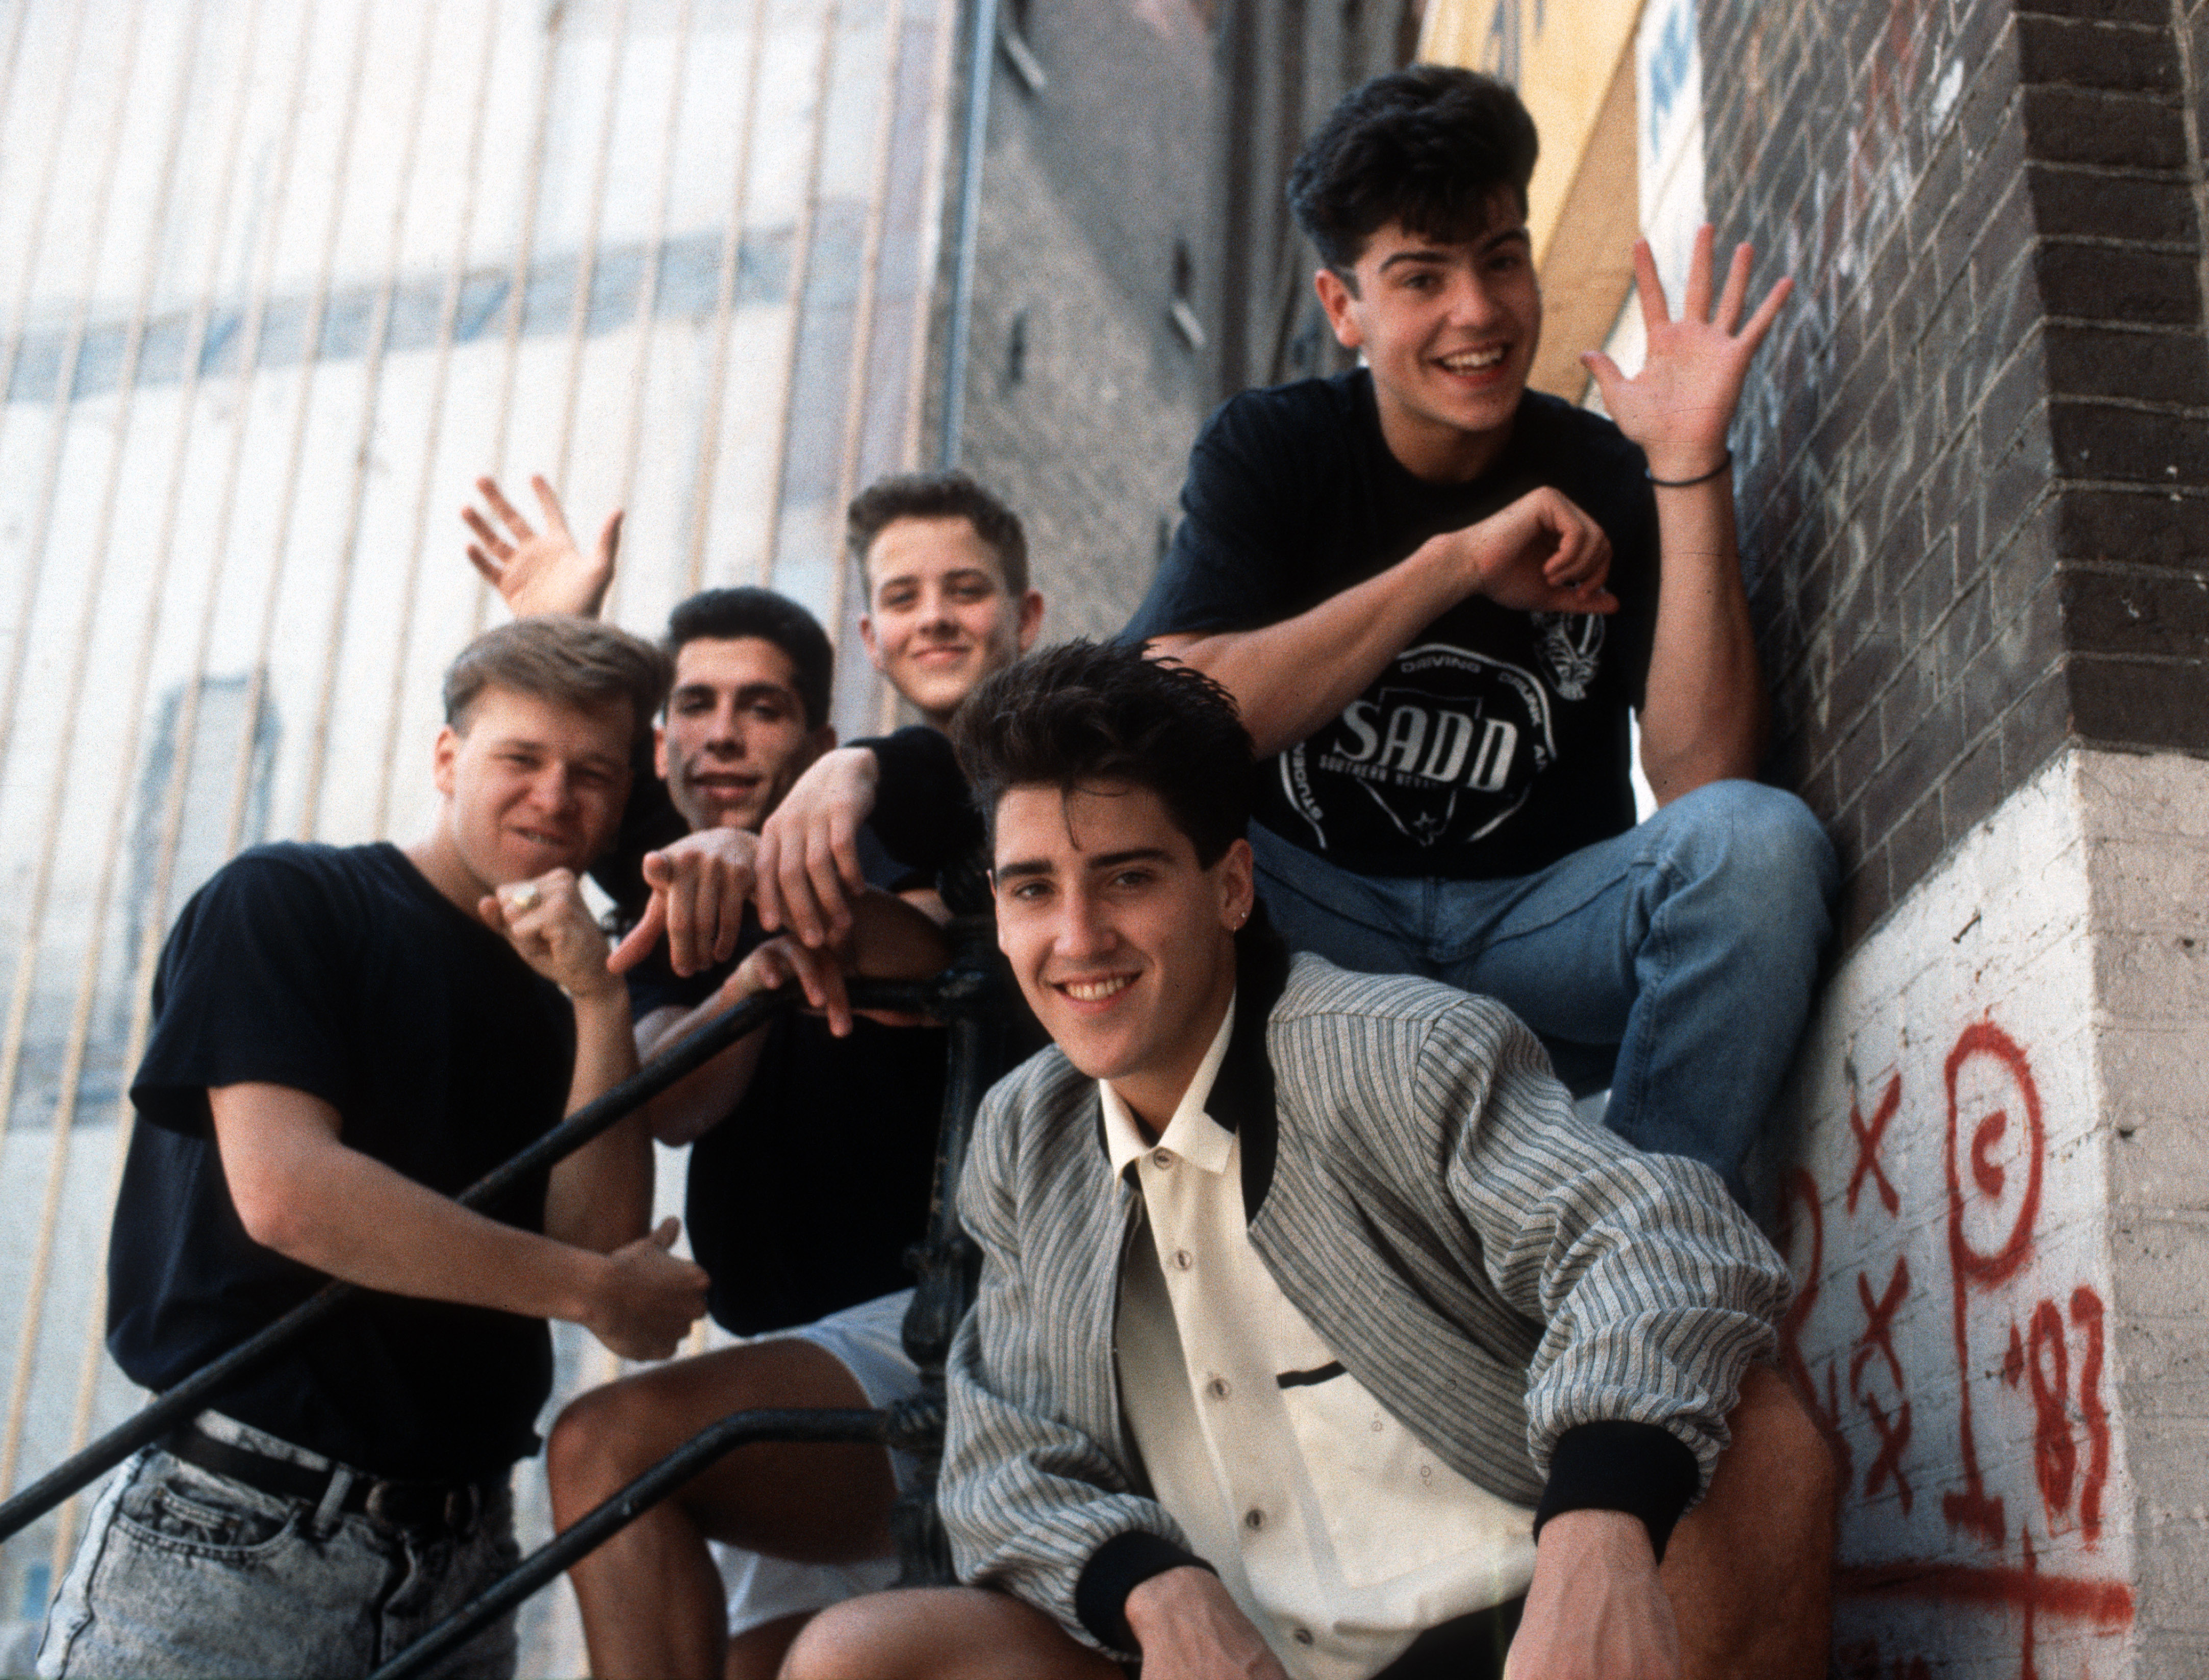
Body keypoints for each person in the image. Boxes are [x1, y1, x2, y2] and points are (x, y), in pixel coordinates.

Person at [781, 641, 1834, 1680]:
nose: (1079, 936)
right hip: (1239, 1660)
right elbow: (1000, 1455)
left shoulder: (1395, 1052)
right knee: (858, 1658)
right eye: (1031, 890)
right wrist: (1156, 1590)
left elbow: (1658, 1236)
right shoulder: (1025, 1137)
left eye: (1127, 877)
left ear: (1231, 887)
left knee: (1758, 1446)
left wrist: (1597, 1533)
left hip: (1521, 1632)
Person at [1121, 66, 1835, 1209]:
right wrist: (1452, 565)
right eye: (1422, 277)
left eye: (1501, 260)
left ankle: (1645, 1233)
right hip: (1316, 932)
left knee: (1760, 844)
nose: (1478, 312)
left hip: (1535, 933)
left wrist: (1685, 468)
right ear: (1343, 306)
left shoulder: (1602, 469)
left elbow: (1707, 785)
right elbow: (1173, 713)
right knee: (1127, 836)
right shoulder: (1273, 449)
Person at [39, 617, 707, 1680]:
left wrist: (596, 998)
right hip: (238, 1534)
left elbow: (597, 1244)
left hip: (464, 1555)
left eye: (591, 773)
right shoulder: (290, 900)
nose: (554, 797)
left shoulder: (568, 993)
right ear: (447, 760)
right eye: (521, 758)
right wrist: (589, 1290)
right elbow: (290, 1194)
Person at [461, 473, 1038, 1680]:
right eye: (696, 707)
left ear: (823, 749)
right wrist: (564, 625)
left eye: (763, 709)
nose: (724, 733)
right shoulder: (665, 897)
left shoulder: (909, 828)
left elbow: (922, 904)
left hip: (944, 1335)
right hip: (780, 1354)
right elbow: (674, 1096)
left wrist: (792, 883)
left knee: (607, 1446)